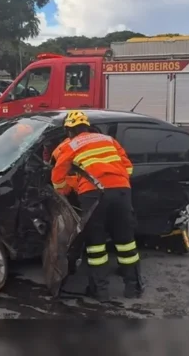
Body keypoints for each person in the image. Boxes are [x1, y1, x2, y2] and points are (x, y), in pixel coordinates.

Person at [51, 110, 143, 301]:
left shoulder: (71, 144)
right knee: (126, 241)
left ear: (69, 131)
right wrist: (115, 181)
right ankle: (133, 288)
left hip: (93, 194)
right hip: (122, 191)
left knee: (96, 244)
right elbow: (128, 167)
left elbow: (58, 174)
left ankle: (101, 292)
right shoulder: (109, 140)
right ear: (88, 126)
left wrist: (65, 190)